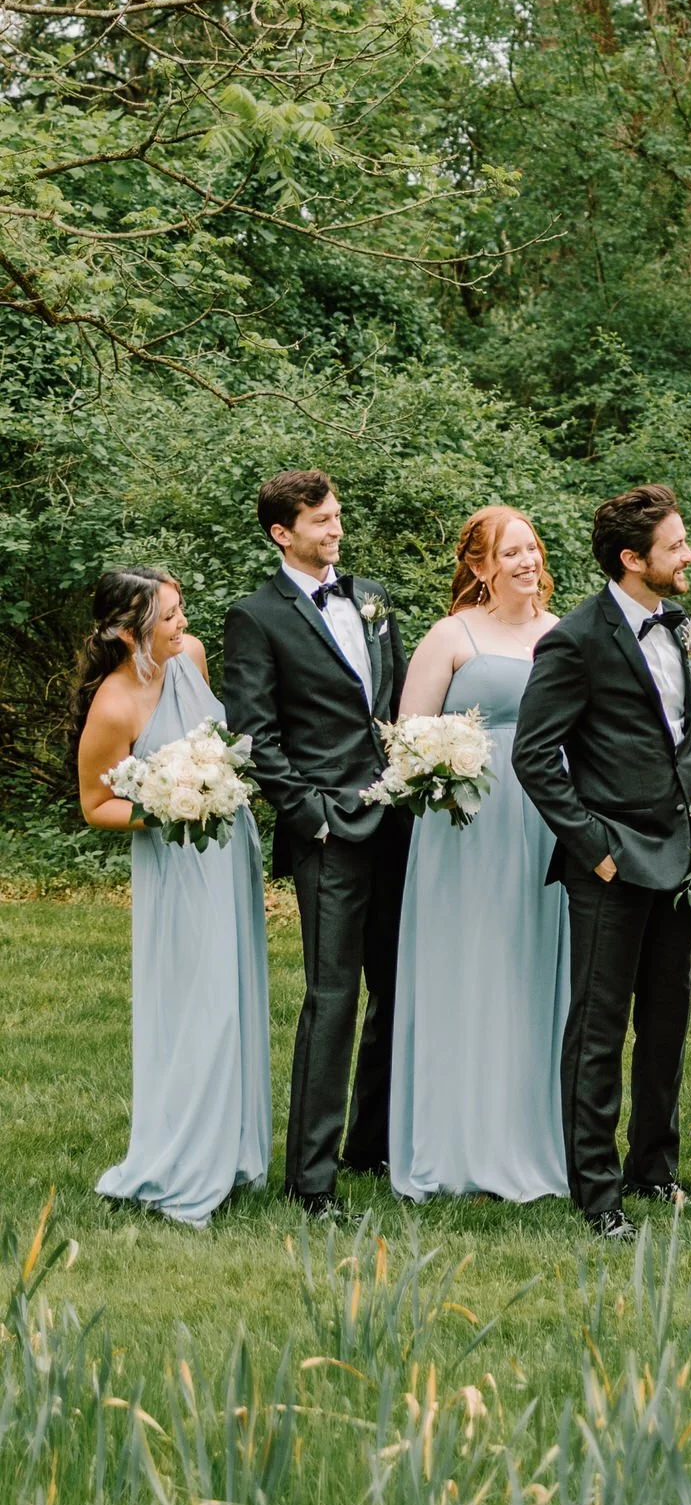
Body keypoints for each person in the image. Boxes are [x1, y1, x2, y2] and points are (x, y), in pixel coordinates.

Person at [512, 483, 691, 1242]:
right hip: (611, 864)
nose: (688, 554)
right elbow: (535, 756)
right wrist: (592, 848)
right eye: (675, 546)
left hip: (679, 854)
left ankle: (652, 1168)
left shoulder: (676, 624)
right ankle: (597, 1194)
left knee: (667, 1021)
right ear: (634, 560)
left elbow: (683, 729)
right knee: (599, 1028)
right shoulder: (576, 639)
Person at [223, 471, 408, 1215]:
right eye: (321, 521)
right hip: (329, 830)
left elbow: (390, 700)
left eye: (337, 517)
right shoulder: (256, 616)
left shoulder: (374, 596)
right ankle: (312, 1179)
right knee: (332, 1000)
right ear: (282, 533)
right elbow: (255, 735)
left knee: (398, 990)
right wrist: (312, 814)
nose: (336, 529)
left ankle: (373, 1144)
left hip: (397, 819)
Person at [77, 567, 270, 1226]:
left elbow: (210, 744)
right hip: (175, 864)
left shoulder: (191, 659)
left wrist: (215, 787)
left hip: (227, 849)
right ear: (130, 631)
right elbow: (95, 803)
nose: (181, 625)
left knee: (235, 996)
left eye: (180, 610)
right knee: (197, 1005)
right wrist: (164, 808)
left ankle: (234, 1149)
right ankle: (184, 1158)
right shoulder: (114, 704)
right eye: (168, 616)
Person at [389, 507, 569, 1203]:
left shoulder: (562, 634)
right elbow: (406, 739)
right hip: (465, 824)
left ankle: (532, 1140)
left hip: (547, 819)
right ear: (479, 566)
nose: (527, 560)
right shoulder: (451, 636)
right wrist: (448, 765)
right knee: (471, 966)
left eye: (533, 547)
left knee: (531, 966)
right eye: (511, 551)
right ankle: (459, 1143)